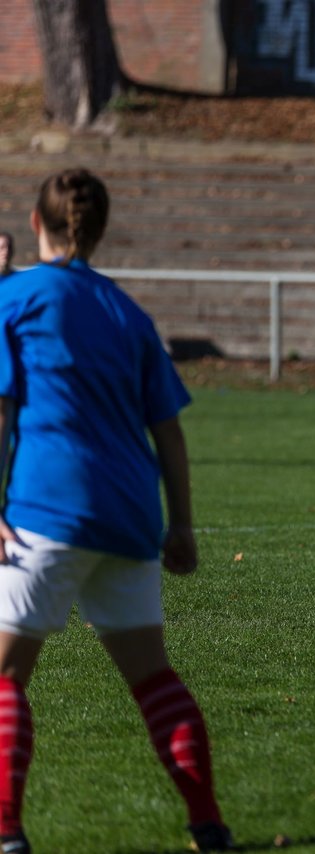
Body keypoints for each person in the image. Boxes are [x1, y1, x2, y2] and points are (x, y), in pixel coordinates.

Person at [0, 169, 232, 853]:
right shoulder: (128, 313)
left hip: (48, 504)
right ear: (97, 230)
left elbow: (3, 409)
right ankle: (207, 822)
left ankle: (6, 831)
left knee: (7, 674)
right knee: (153, 677)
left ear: (37, 225)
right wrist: (179, 523)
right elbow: (169, 430)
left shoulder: (16, 299)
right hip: (130, 514)